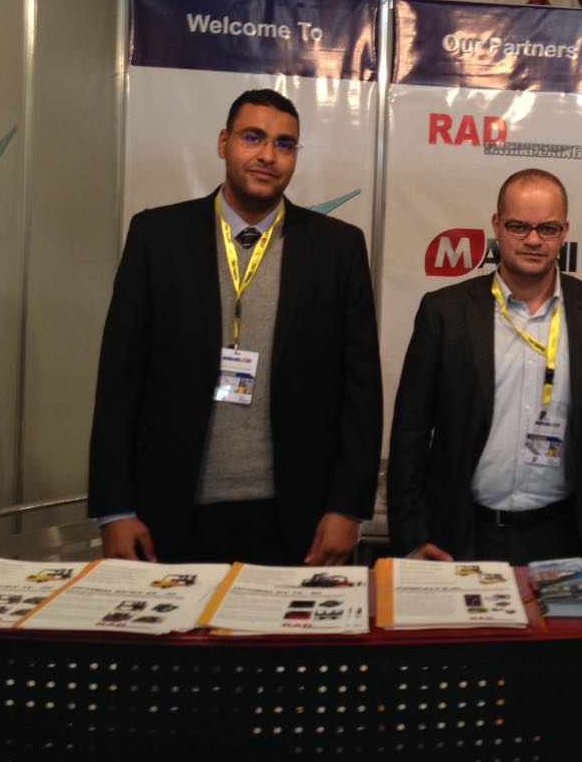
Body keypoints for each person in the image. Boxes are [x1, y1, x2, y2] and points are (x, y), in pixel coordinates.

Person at [88, 89, 382, 566]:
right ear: (224, 143)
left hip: (298, 515)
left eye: (284, 144)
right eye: (253, 138)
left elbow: (361, 391)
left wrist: (348, 508)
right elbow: (119, 379)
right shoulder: (157, 237)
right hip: (171, 510)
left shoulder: (338, 248)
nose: (268, 155)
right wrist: (114, 509)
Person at [387, 168, 582, 565]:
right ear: (497, 225)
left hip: (567, 536)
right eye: (519, 226)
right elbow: (410, 430)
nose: (534, 240)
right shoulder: (445, 312)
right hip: (464, 534)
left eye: (548, 228)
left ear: (565, 231)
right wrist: (411, 535)